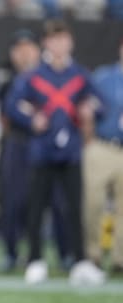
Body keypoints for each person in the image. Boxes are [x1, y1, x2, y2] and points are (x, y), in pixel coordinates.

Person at [5, 20, 105, 285]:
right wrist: (32, 119)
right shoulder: (35, 75)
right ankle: (35, 260)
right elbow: (13, 105)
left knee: (74, 208)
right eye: (53, 40)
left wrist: (88, 111)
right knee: (36, 208)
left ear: (70, 42)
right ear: (46, 44)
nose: (59, 45)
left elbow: (99, 103)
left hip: (71, 152)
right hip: (42, 152)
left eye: (63, 39)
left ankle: (81, 261)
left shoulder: (80, 75)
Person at [84, 39, 123, 275]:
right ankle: (92, 255)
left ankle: (121, 259)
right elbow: (86, 107)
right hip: (103, 145)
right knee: (93, 204)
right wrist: (87, 139)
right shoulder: (104, 76)